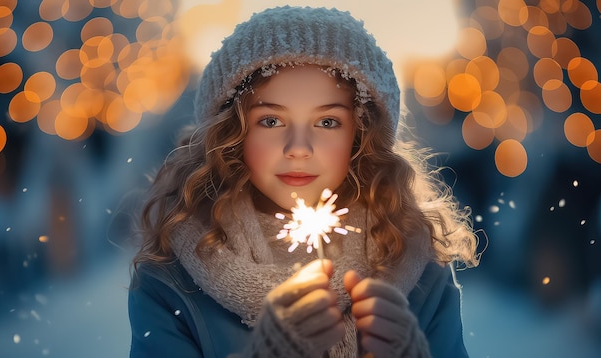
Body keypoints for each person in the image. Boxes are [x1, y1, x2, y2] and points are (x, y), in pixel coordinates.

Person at [128, 5, 479, 358]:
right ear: (231, 133)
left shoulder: (419, 269)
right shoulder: (172, 281)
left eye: (327, 122)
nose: (298, 148)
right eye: (271, 121)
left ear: (361, 134)